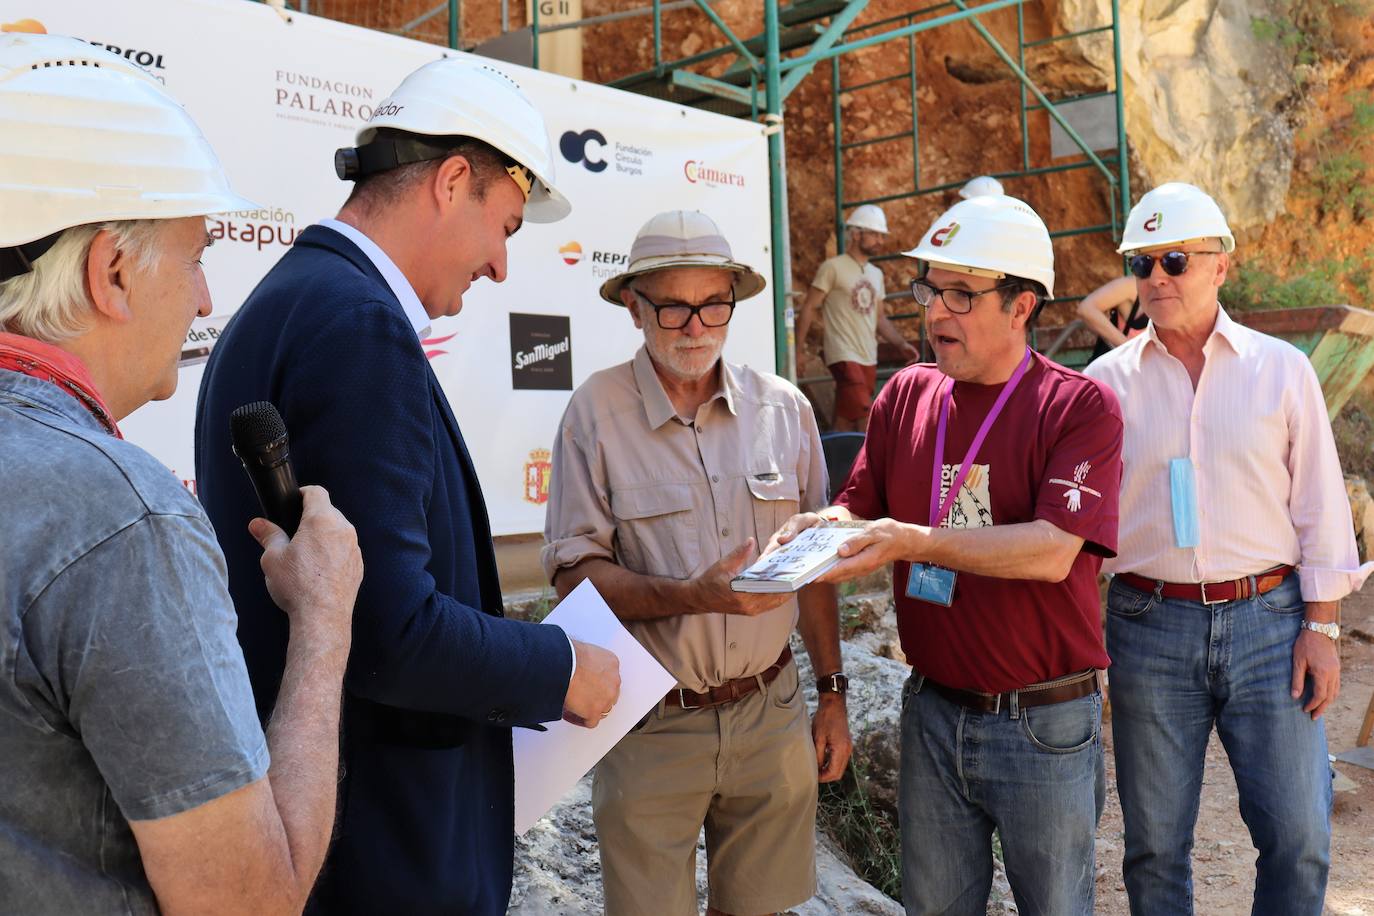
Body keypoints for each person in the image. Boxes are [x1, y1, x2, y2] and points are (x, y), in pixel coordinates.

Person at [195, 58, 621, 915]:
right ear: (454, 179)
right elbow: (387, 630)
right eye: (503, 226)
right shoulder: (357, 325)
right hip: (380, 853)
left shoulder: (296, 298)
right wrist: (561, 666)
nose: (501, 266)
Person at [0, 34, 363, 915]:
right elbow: (252, 902)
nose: (205, 301)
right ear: (113, 273)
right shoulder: (122, 519)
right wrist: (324, 624)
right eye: (197, 256)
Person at [772, 193, 1124, 916]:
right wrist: (823, 522)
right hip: (931, 713)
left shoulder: (1078, 407)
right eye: (931, 288)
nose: (936, 312)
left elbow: (1055, 550)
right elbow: (860, 507)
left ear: (1023, 305)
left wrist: (914, 541)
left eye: (963, 294)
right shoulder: (905, 395)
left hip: (1044, 722)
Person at [543, 210, 852, 916]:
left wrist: (831, 692)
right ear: (633, 306)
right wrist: (693, 594)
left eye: (714, 304)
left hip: (771, 716)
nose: (695, 326)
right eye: (674, 306)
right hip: (653, 723)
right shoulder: (594, 414)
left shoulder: (785, 409)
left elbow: (816, 573)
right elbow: (571, 578)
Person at [1083, 181, 1372, 916]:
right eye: (1140, 263)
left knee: (1300, 835)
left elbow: (1319, 505)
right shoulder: (1102, 388)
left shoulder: (1281, 371)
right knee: (1153, 848)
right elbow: (1080, 528)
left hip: (1269, 623)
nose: (1154, 278)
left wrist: (1323, 626)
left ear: (1220, 267)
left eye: (1173, 260)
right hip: (1148, 624)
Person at [796, 203, 918, 431]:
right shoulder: (832, 267)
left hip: (867, 356)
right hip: (842, 354)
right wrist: (798, 351)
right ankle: (877, 466)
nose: (880, 241)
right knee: (866, 417)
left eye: (881, 236)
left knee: (845, 419)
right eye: (874, 234)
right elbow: (809, 307)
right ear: (855, 233)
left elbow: (879, 318)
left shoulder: (876, 274)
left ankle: (832, 465)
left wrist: (901, 344)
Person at [1076, 274, 1146, 360]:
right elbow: (1086, 309)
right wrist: (1131, 350)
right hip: (1120, 365)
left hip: (1155, 368)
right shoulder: (1132, 285)